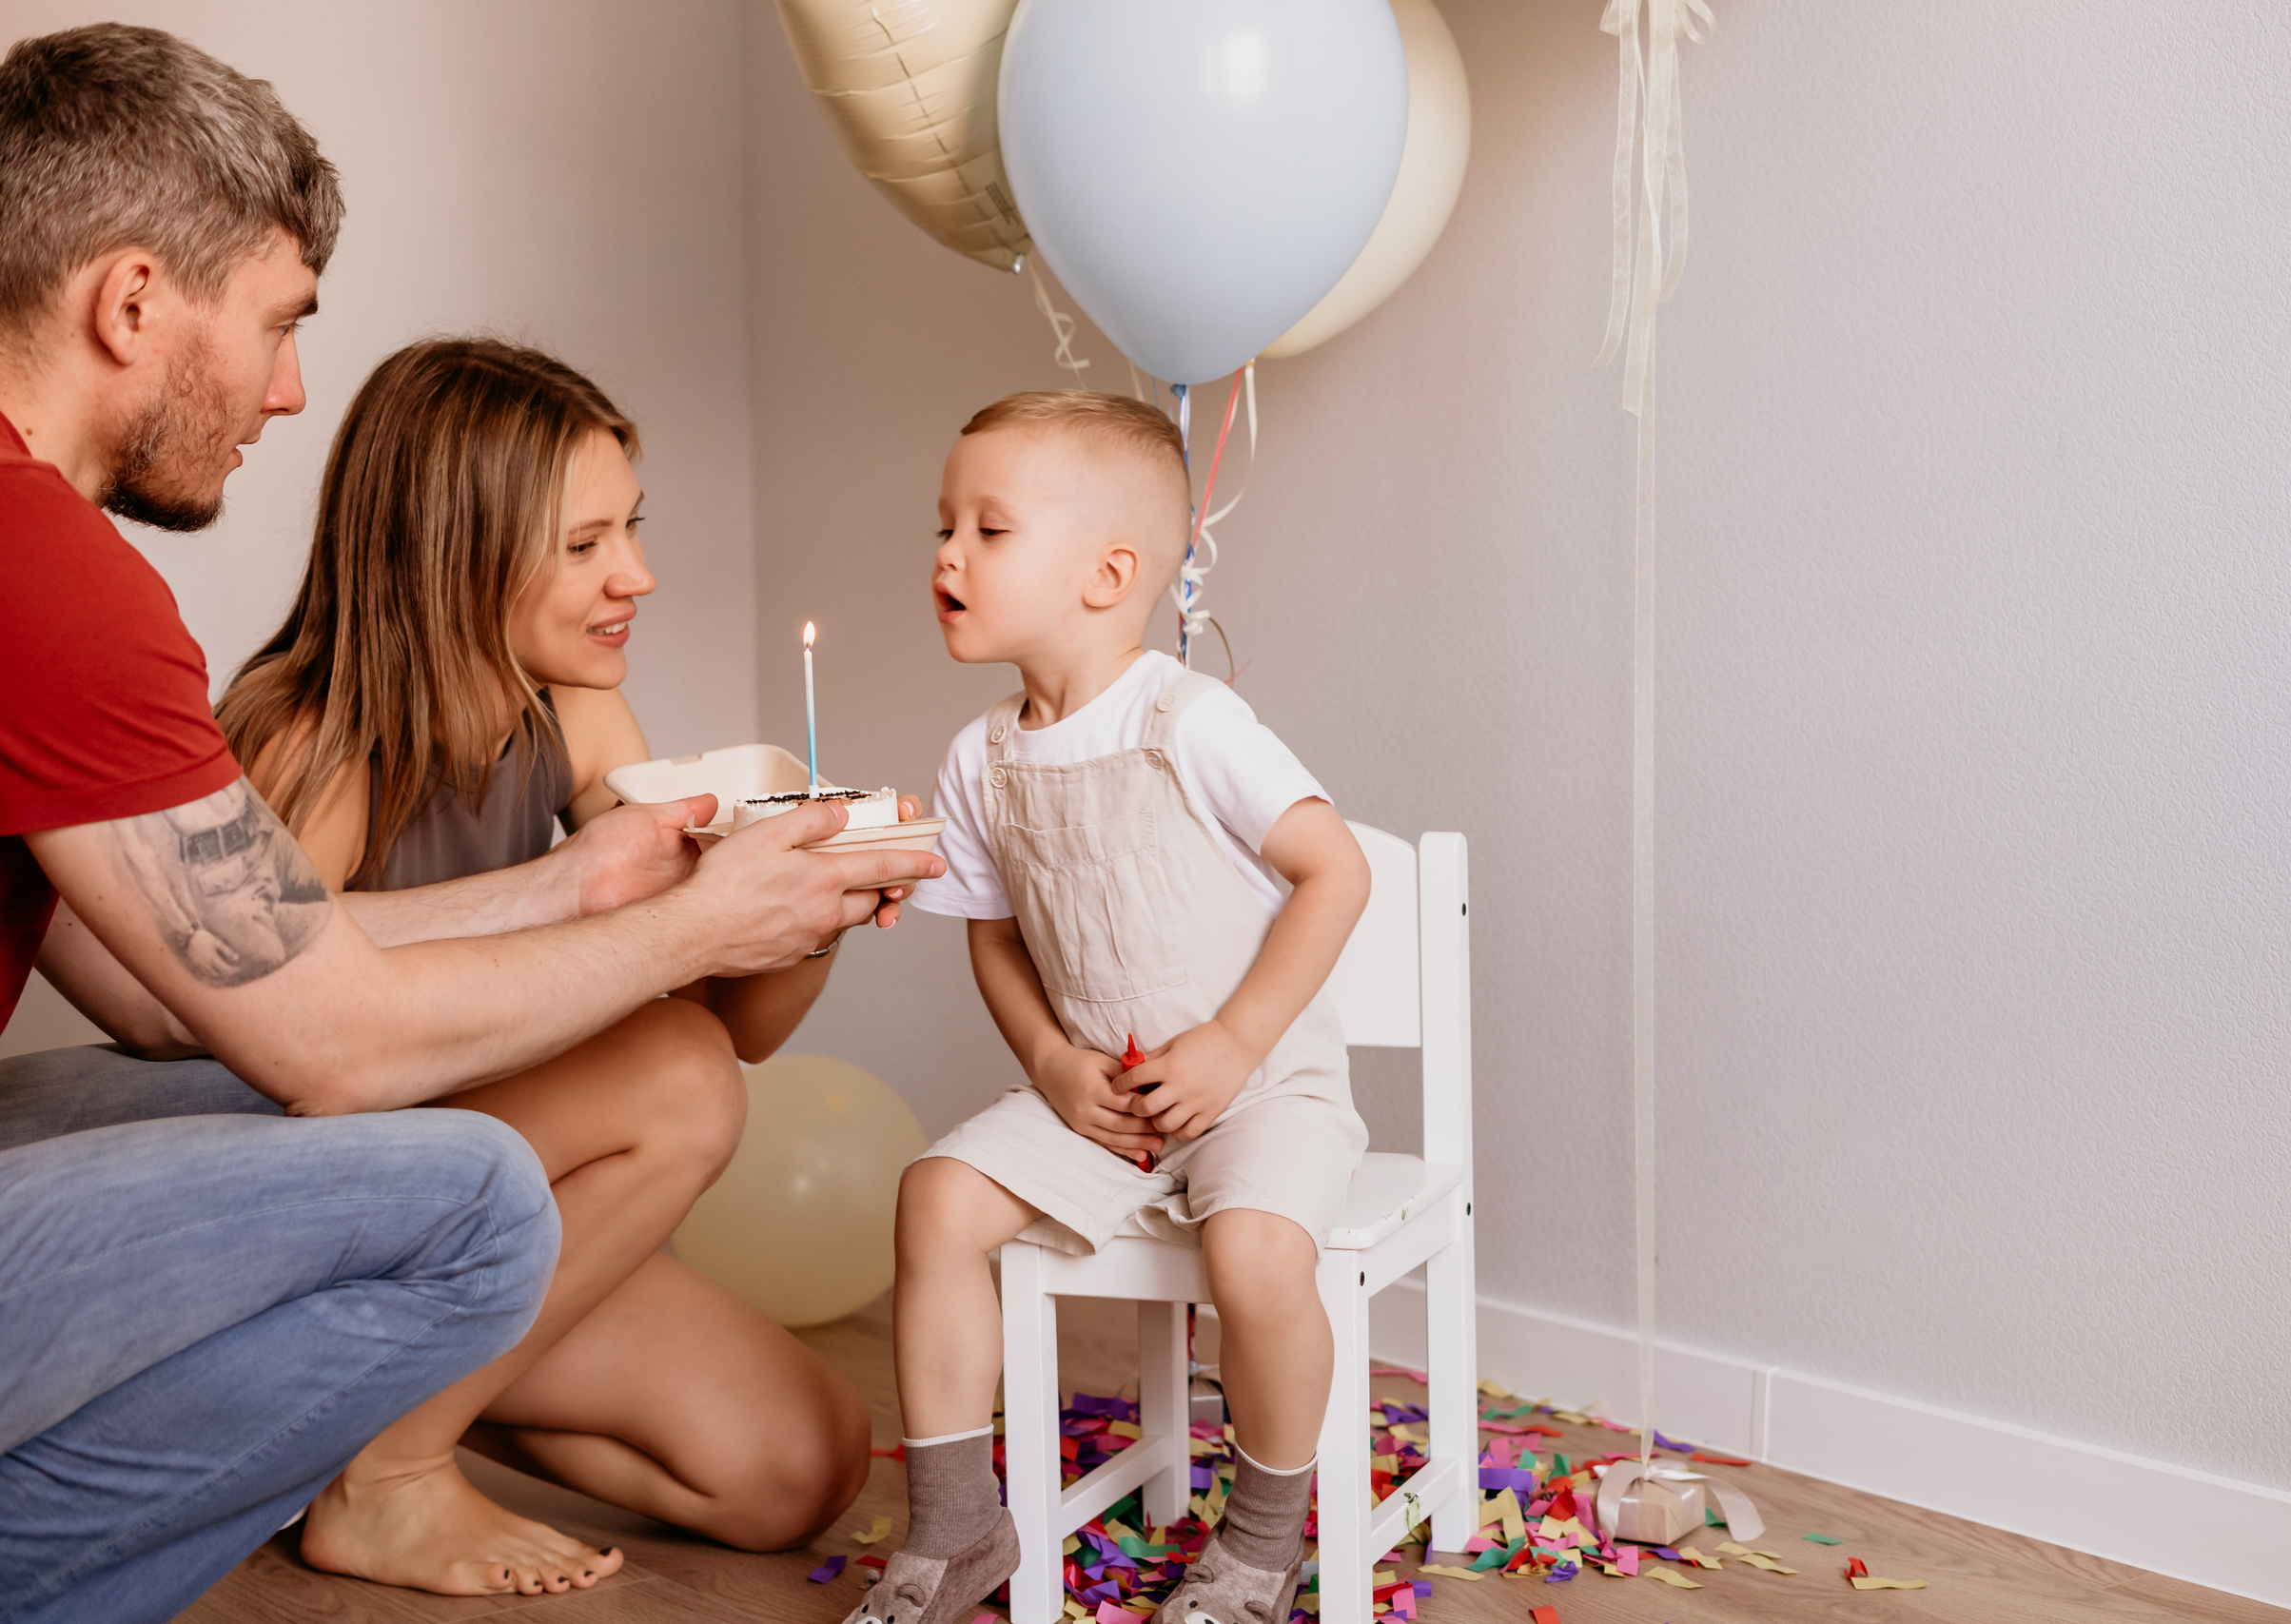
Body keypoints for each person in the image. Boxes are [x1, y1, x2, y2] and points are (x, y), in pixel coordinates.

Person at [0, 23, 938, 1617]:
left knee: (780, 1430)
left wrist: (589, 886)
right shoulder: (55, 578)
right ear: (135, 301)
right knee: (478, 1193)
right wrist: (692, 923)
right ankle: (367, 1471)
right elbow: (326, 1046)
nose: (294, 391)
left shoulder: (49, 573)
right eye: (279, 325)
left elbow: (167, 986)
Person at [209, 335, 891, 1580]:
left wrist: (817, 891)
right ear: (452, 553)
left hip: (499, 1207)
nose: (635, 573)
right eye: (585, 546)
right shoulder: (313, 743)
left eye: (630, 527)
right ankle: (383, 1471)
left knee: (803, 1462)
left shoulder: (568, 707)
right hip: (327, 1231)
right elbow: (269, 1069)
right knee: (675, 1072)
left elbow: (740, 1021)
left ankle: (369, 1429)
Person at [867, 392, 1373, 1624]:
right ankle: (956, 1530)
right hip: (1100, 1094)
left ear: (1109, 574)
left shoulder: (1189, 720)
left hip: (1259, 1089)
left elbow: (1336, 870)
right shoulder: (980, 756)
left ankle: (1260, 1539)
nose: (946, 555)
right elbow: (993, 938)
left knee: (1256, 1251)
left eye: (988, 530)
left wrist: (1235, 1042)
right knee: (934, 1198)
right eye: (944, 527)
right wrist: (1047, 1059)